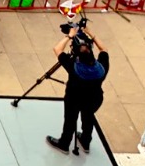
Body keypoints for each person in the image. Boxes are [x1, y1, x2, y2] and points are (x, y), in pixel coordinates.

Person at [45, 27, 109, 155]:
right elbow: (104, 50)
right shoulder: (101, 68)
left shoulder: (73, 66)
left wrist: (70, 35)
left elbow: (57, 49)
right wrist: (91, 33)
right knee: (88, 118)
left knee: (70, 120)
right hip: (94, 99)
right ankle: (85, 141)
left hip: (74, 99)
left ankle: (64, 144)